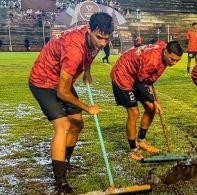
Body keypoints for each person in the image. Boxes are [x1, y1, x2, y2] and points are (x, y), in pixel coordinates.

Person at [28, 12, 113, 194]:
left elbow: (90, 53)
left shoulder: (95, 39)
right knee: (63, 126)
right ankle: (61, 184)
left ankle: (65, 163)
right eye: (99, 38)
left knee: (77, 124)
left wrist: (87, 71)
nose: (102, 43)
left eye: (106, 39)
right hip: (43, 82)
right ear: (89, 30)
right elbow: (62, 92)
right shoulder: (73, 48)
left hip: (60, 81)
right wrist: (87, 107)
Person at [110, 41, 183, 160]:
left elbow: (157, 42)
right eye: (172, 59)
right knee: (134, 112)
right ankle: (133, 149)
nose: (174, 63)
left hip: (138, 76)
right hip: (124, 75)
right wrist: (154, 100)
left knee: (151, 108)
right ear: (165, 52)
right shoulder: (152, 61)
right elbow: (138, 84)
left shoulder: (163, 46)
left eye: (177, 61)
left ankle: (141, 140)